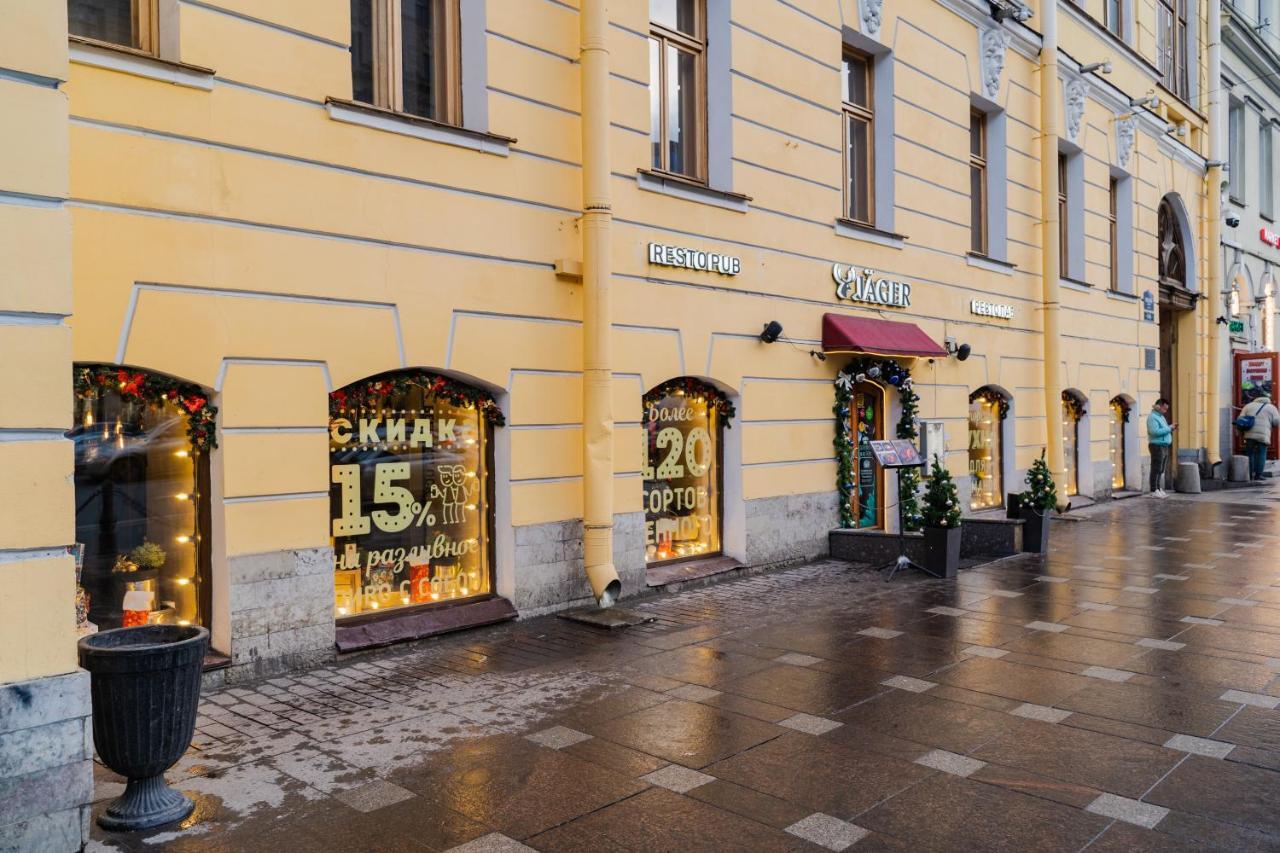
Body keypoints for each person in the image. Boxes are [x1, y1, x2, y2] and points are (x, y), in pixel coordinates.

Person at [1239, 393, 1280, 481]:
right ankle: (1258, 475)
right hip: (1263, 435)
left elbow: (1240, 419)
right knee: (1261, 453)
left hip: (1249, 434)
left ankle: (1249, 474)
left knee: (1250, 453)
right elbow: (1276, 422)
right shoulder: (1271, 407)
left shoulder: (1248, 406)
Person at [1146, 398, 1176, 497]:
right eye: (1164, 408)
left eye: (1166, 409)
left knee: (1161, 469)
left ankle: (1158, 488)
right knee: (1156, 468)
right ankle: (1153, 490)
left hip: (1163, 445)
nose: (1165, 411)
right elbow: (1154, 432)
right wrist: (1169, 428)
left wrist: (1170, 427)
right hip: (1156, 445)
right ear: (1158, 406)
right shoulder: (1152, 417)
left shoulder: (1161, 417)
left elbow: (1163, 429)